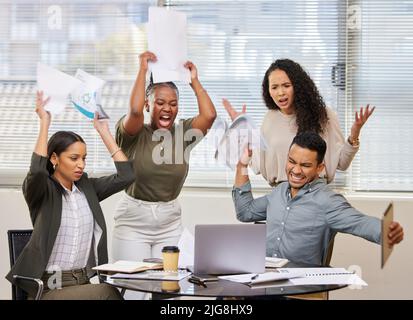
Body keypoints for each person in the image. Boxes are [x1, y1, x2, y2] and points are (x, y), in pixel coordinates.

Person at [6, 91, 135, 300]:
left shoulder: (87, 188)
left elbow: (127, 175)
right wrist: (44, 122)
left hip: (83, 283)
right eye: (74, 158)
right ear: (54, 158)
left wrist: (103, 131)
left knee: (107, 291)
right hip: (48, 288)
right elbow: (38, 171)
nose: (81, 164)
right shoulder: (42, 190)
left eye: (84, 158)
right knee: (107, 293)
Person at [232, 132, 404, 265]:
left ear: (319, 167)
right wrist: (242, 165)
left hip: (298, 288)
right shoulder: (279, 192)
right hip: (263, 278)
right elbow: (245, 212)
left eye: (305, 165)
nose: (296, 170)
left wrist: (385, 231)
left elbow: (359, 222)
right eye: (292, 161)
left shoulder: (327, 201)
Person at [112, 51, 216, 263]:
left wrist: (194, 81)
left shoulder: (183, 133)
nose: (167, 108)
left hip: (169, 222)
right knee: (134, 291)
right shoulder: (133, 133)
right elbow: (134, 110)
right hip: (134, 221)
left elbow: (209, 116)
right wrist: (143, 70)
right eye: (160, 102)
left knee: (168, 286)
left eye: (173, 103)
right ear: (148, 105)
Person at [223, 58, 375, 186]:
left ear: (299, 87)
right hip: (281, 196)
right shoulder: (270, 118)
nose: (280, 93)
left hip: (316, 194)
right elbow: (257, 164)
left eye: (286, 86)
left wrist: (354, 134)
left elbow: (342, 163)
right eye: (274, 87)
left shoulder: (324, 115)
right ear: (268, 91)